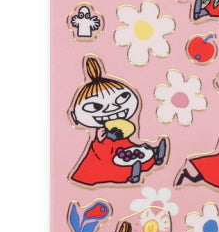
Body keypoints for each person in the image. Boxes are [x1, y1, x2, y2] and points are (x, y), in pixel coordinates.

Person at [70, 56, 167, 185]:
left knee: (136, 152)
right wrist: (102, 139)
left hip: (121, 146)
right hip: (104, 158)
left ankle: (154, 155)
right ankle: (133, 175)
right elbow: (101, 152)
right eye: (95, 107)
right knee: (115, 164)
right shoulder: (101, 131)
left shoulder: (119, 124)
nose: (112, 108)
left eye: (122, 98)